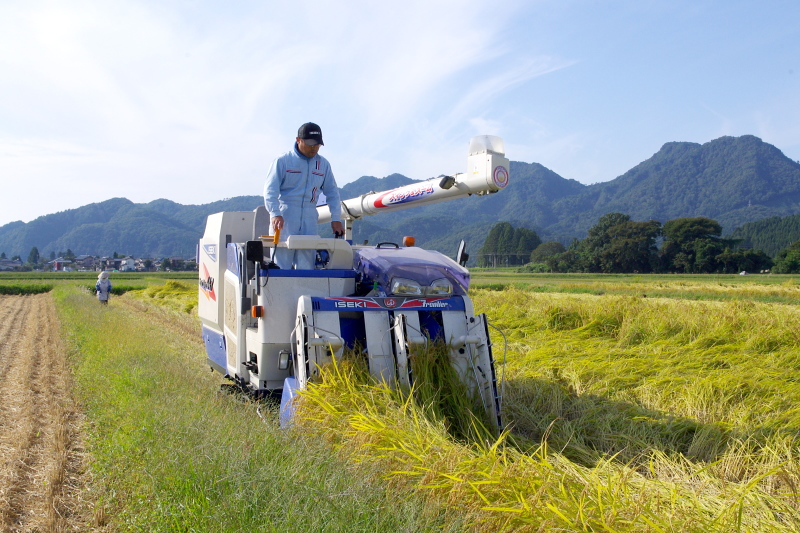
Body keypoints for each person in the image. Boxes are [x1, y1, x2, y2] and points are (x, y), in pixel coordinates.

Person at [263, 122, 344, 269]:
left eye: (317, 145)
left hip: (310, 217)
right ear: (298, 140)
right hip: (285, 217)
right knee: (282, 266)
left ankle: (305, 292)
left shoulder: (323, 164)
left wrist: (336, 219)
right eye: (310, 144)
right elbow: (270, 191)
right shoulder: (282, 161)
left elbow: (332, 193)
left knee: (307, 266)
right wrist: (275, 213)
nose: (314, 148)